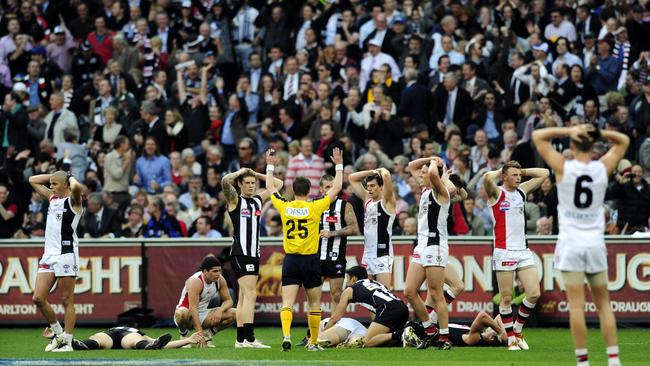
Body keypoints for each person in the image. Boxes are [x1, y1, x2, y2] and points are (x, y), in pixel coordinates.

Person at [533, 124, 628, 366]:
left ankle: (583, 362)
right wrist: (598, 132)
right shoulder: (601, 167)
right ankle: (614, 359)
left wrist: (569, 130)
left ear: (573, 146)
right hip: (595, 242)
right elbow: (623, 141)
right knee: (604, 305)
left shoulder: (563, 167)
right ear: (593, 146)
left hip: (571, 242)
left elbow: (538, 136)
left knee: (577, 307)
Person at [267, 148, 344, 351]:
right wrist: (339, 164)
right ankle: (313, 342)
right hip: (310, 260)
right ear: (309, 191)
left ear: (293, 190)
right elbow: (336, 188)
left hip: (291, 260)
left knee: (287, 303)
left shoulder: (284, 206)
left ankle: (286, 335)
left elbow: (269, 188)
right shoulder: (315, 206)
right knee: (315, 304)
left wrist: (270, 165)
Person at [482, 161, 550, 350]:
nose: (518, 178)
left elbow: (544, 173)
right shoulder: (496, 193)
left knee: (534, 293)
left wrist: (522, 170)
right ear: (504, 177)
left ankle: (517, 330)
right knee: (505, 298)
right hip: (504, 251)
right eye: (514, 175)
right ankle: (510, 339)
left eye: (519, 175)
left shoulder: (521, 191)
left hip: (523, 251)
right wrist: (502, 170)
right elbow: (487, 178)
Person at [403, 156, 465, 349]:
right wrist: (430, 159)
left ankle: (444, 338)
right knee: (410, 292)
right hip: (421, 246)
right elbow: (411, 165)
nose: (420, 176)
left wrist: (437, 165)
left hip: (435, 245)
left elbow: (431, 173)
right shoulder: (426, 189)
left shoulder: (441, 192)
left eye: (423, 174)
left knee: (436, 294)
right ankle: (430, 330)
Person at [222, 167, 283, 348]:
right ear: (240, 184)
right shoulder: (235, 200)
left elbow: (277, 184)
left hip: (253, 253)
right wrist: (241, 172)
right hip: (241, 252)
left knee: (243, 297)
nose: (250, 186)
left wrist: (256, 174)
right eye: (247, 183)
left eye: (253, 183)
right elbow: (225, 181)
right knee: (250, 294)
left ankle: (241, 339)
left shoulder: (258, 200)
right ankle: (249, 337)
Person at [29, 171, 84, 352]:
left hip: (66, 254)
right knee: (38, 298)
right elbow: (32, 180)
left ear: (66, 185)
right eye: (50, 184)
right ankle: (58, 333)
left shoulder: (74, 201)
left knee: (66, 299)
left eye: (54, 184)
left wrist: (69, 177)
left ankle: (68, 341)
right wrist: (54, 175)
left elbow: (77, 187)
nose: (50, 186)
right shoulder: (53, 198)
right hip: (49, 255)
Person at [325, 266, 408, 348]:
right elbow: (376, 311)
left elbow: (335, 318)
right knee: (382, 341)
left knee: (367, 342)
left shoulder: (349, 290)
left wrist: (322, 334)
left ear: (353, 278)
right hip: (402, 307)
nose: (346, 282)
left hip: (388, 309)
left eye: (347, 278)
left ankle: (400, 334)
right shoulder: (376, 283)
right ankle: (409, 331)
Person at [173, 255, 236, 348]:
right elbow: (193, 309)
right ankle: (183, 335)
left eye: (219, 270)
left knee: (236, 313)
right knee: (181, 313)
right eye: (215, 271)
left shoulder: (220, 279)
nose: (218, 274)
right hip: (187, 314)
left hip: (203, 313)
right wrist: (200, 335)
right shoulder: (196, 281)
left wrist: (220, 310)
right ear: (205, 272)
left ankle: (208, 335)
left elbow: (229, 300)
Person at [348, 167, 396, 288]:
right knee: (369, 297)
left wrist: (380, 170)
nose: (369, 189)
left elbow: (386, 176)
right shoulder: (367, 200)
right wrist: (371, 172)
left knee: (384, 295)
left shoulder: (388, 202)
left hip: (382, 254)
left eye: (373, 186)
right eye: (368, 186)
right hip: (368, 254)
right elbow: (352, 178)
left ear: (381, 187)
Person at [403, 310, 506, 348]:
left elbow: (482, 315)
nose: (490, 328)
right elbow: (498, 317)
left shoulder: (474, 338)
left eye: (492, 331)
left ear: (491, 338)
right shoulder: (472, 333)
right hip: (428, 326)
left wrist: (501, 332)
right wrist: (504, 334)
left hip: (421, 331)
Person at [43, 326, 201, 350]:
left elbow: (163, 344)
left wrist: (187, 340)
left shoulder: (139, 332)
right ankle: (75, 343)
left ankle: (148, 346)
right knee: (98, 340)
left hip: (125, 335)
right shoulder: (137, 331)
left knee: (137, 341)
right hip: (109, 334)